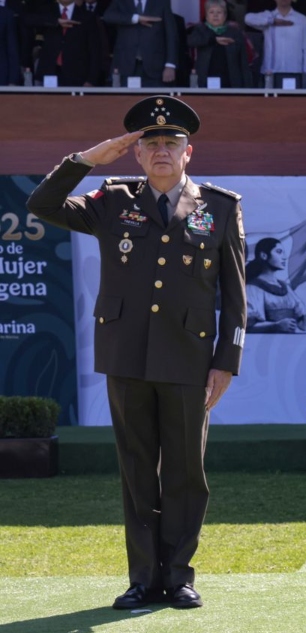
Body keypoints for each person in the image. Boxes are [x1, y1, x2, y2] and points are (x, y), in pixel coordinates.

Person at [25, 96, 247, 611]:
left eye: (172, 142)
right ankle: (143, 579)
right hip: (126, 356)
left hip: (189, 360)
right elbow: (42, 205)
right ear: (138, 154)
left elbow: (236, 297)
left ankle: (179, 576)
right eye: (152, 144)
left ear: (188, 152)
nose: (162, 150)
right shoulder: (111, 200)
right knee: (137, 470)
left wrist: (226, 361)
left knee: (186, 472)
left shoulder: (219, 207)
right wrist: (87, 159)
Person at [245, 236, 306, 332]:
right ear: (264, 255)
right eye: (279, 252)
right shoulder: (252, 288)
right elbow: (247, 326)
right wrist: (275, 325)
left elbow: (303, 325)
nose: (284, 257)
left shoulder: (285, 287)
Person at [27, 0, 106, 87]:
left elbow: (95, 50)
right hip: (49, 72)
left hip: (77, 75)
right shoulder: (47, 11)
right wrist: (56, 22)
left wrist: (91, 79)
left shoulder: (87, 16)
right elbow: (26, 19)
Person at [102, 0, 179, 87]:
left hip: (155, 67)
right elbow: (108, 16)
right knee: (125, 96)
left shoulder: (161, 2)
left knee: (154, 96)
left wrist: (170, 65)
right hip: (125, 65)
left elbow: (171, 35)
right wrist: (136, 18)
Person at [245, 0, 306, 87]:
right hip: (271, 72)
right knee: (270, 96)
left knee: (294, 96)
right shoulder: (269, 16)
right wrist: (272, 21)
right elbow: (247, 18)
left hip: (295, 71)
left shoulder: (302, 19)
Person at [188, 0, 254, 88]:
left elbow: (243, 63)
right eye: (211, 12)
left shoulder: (235, 33)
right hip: (204, 81)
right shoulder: (200, 30)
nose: (215, 15)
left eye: (219, 12)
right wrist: (214, 40)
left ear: (225, 16)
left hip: (231, 82)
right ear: (206, 16)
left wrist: (248, 88)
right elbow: (190, 41)